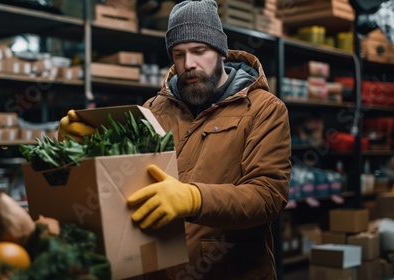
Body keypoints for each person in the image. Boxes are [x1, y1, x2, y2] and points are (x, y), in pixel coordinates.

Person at [58, 0, 292, 278]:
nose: (188, 64)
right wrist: (84, 151)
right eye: (178, 54)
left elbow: (268, 196)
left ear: (221, 53)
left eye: (199, 51)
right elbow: (119, 182)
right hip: (157, 268)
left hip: (225, 270)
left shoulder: (264, 109)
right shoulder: (152, 110)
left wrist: (194, 199)